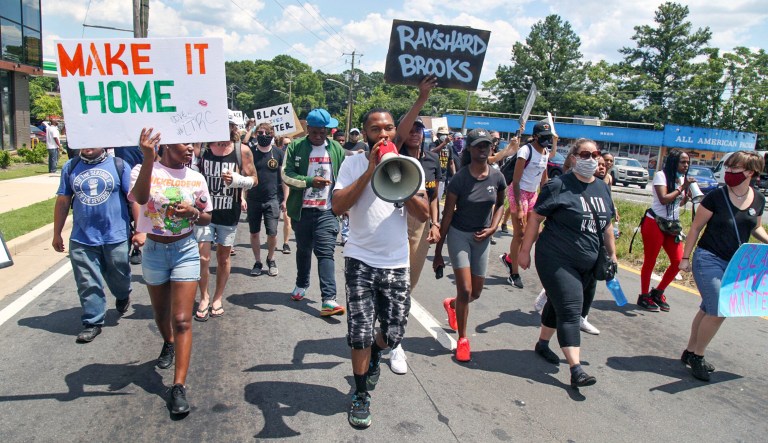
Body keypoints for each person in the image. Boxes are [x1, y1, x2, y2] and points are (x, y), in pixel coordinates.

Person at [332, 92, 432, 427]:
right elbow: (338, 207)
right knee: (359, 333)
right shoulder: (352, 163)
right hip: (360, 258)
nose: (384, 134)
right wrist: (372, 169)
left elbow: (422, 214)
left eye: (389, 128)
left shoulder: (410, 165)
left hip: (395, 262)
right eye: (376, 129)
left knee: (393, 332)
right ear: (365, 134)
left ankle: (378, 352)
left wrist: (398, 182)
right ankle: (361, 393)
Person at [519, 138, 616, 388]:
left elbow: (606, 226)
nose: (591, 159)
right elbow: (535, 218)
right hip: (556, 259)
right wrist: (524, 250)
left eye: (595, 154)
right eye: (585, 155)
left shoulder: (603, 188)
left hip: (588, 261)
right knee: (572, 308)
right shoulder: (558, 185)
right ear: (573, 157)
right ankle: (576, 369)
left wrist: (612, 255)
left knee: (557, 301)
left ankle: (542, 344)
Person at [130, 128, 213, 415]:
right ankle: (168, 342)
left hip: (185, 250)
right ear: (166, 145)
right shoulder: (144, 168)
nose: (191, 148)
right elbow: (140, 198)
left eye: (193, 143)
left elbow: (206, 216)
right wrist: (148, 158)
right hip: (154, 251)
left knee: (182, 319)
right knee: (161, 314)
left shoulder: (196, 177)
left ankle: (178, 386)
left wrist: (192, 212)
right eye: (185, 143)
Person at [679, 151, 767, 381]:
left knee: (708, 308)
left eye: (733, 169)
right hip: (708, 258)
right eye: (727, 168)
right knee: (720, 309)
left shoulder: (758, 199)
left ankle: (689, 351)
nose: (728, 173)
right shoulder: (715, 197)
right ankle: (698, 357)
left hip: (736, 265)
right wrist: (685, 258)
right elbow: (696, 228)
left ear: (750, 172)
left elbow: (755, 227)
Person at [433, 128, 507, 362]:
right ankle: (463, 340)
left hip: (482, 239)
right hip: (459, 236)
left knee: (475, 292)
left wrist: (494, 227)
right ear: (470, 149)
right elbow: (447, 217)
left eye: (486, 145)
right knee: (465, 289)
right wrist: (437, 252)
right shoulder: (460, 179)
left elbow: (501, 205)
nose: (483, 149)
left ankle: (453, 304)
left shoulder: (497, 176)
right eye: (478, 145)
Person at [52, 147, 135, 343]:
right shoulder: (70, 167)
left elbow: (134, 200)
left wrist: (139, 230)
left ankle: (123, 294)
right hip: (82, 236)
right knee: (86, 280)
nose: (88, 146)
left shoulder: (119, 166)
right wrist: (57, 233)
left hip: (116, 235)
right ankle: (93, 320)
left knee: (119, 273)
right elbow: (63, 201)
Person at [282, 108, 346, 316]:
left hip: (327, 211)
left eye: (323, 132)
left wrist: (345, 205)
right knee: (303, 249)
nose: (319, 136)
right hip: (302, 211)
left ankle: (329, 299)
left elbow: (345, 177)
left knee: (325, 252)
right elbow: (286, 175)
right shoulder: (295, 147)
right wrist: (310, 181)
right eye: (315, 132)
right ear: (307, 129)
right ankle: (301, 284)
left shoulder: (336, 149)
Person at [194, 119, 257, 321]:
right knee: (202, 258)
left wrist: (237, 181)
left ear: (233, 127)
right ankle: (203, 297)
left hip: (229, 213)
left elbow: (254, 179)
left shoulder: (242, 150)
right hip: (204, 213)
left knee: (223, 258)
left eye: (228, 124)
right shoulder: (202, 148)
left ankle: (217, 298)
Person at [638, 149, 694, 312]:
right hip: (654, 222)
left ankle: (658, 292)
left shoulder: (681, 178)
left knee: (678, 262)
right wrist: (682, 187)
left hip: (672, 224)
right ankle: (644, 296)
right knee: (650, 260)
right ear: (673, 162)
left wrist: (685, 197)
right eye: (683, 162)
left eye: (687, 162)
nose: (686, 165)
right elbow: (663, 199)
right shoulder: (661, 176)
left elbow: (677, 204)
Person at [500, 120, 553, 289]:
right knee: (520, 233)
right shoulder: (525, 150)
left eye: (549, 137)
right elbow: (515, 181)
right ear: (536, 137)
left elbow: (544, 180)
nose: (547, 140)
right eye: (544, 137)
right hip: (519, 191)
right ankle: (513, 272)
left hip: (533, 194)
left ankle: (509, 257)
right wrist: (520, 208)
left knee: (535, 233)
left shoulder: (546, 152)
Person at [245, 122, 284, 277]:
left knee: (272, 232)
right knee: (254, 232)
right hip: (253, 199)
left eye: (265, 133)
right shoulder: (250, 153)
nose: (262, 136)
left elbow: (283, 178)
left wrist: (285, 199)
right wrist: (242, 197)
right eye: (259, 133)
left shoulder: (278, 153)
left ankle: (271, 258)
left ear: (272, 135)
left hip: (272, 199)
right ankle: (258, 261)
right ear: (256, 135)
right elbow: (245, 175)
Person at [430, 126, 455, 203]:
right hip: (432, 176)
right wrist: (444, 143)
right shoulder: (433, 144)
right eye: (442, 134)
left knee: (438, 198)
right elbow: (432, 153)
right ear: (438, 135)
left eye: (446, 134)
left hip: (442, 177)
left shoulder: (449, 147)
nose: (444, 136)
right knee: (431, 198)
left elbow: (451, 162)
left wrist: (454, 175)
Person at [278, 136, 293, 253]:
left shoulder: (291, 158)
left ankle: (286, 243)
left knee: (287, 218)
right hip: (274, 191)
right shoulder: (276, 155)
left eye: (289, 144)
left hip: (287, 191)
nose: (287, 147)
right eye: (285, 144)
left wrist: (286, 199)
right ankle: (272, 238)